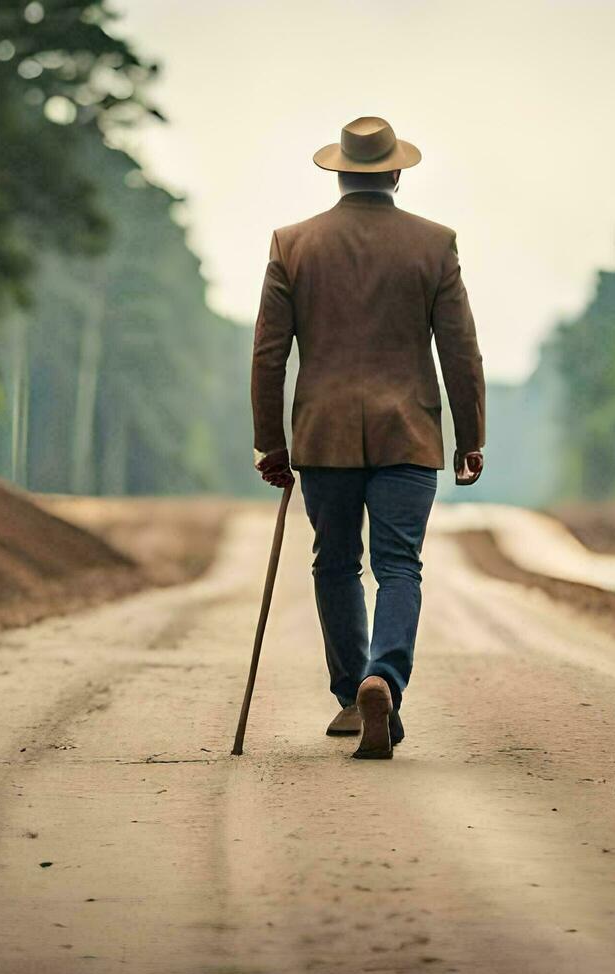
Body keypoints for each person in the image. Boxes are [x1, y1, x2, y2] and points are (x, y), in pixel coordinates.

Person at [251, 115, 486, 760]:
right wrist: (470, 437)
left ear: (340, 171)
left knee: (334, 562)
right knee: (398, 565)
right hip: (408, 432)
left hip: (323, 433)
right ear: (397, 172)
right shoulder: (434, 244)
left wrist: (270, 441)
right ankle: (386, 674)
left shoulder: (292, 244)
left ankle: (354, 697)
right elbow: (460, 352)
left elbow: (269, 354)